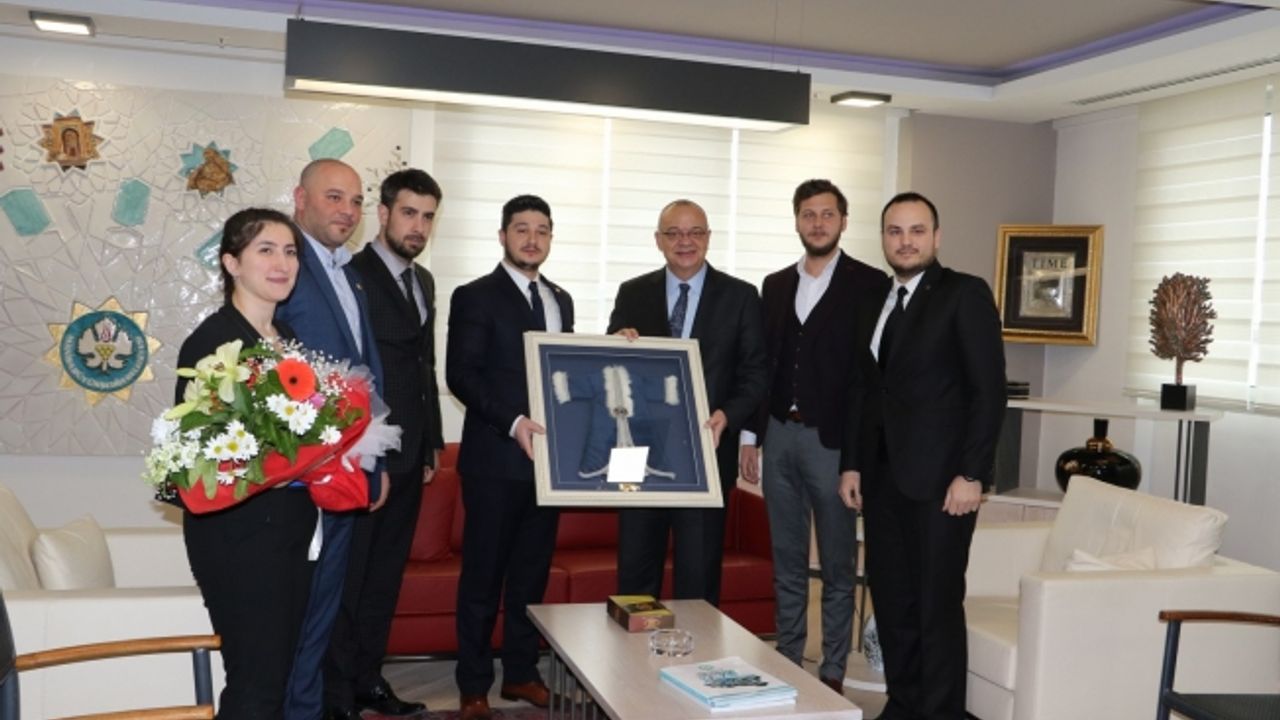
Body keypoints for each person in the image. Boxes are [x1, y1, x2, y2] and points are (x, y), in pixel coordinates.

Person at [838, 191, 1006, 720]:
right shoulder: (875, 299)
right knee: (893, 603)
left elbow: (988, 392)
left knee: (936, 606)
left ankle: (941, 713)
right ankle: (904, 704)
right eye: (895, 231)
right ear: (883, 238)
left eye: (916, 231)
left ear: (936, 236)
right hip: (883, 481)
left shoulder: (964, 294)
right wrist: (852, 462)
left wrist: (972, 473)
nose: (905, 241)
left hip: (942, 484)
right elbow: (864, 391)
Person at [739, 180, 889, 693]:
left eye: (827, 214)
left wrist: (857, 458)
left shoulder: (870, 284)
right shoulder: (775, 284)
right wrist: (751, 437)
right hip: (779, 435)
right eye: (808, 214)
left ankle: (832, 668)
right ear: (797, 221)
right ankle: (787, 657)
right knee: (786, 561)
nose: (818, 223)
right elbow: (762, 365)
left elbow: (869, 377)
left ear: (843, 221)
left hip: (834, 445)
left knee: (839, 564)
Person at [176, 207, 316, 719]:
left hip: (290, 527)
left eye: (290, 252)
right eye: (266, 250)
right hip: (239, 534)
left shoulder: (288, 340)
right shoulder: (213, 343)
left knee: (276, 677)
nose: (282, 263)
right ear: (232, 263)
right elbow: (199, 456)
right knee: (255, 681)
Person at [446, 194, 574, 720]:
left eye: (542, 230)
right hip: (494, 462)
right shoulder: (475, 296)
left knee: (530, 578)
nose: (532, 239)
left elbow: (565, 372)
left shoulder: (561, 300)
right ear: (503, 236)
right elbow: (461, 374)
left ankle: (521, 674)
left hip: (548, 467)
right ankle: (474, 685)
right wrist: (515, 422)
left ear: (550, 238)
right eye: (521, 229)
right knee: (483, 578)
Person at [324, 169, 445, 717]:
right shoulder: (352, 275)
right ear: (384, 213)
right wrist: (359, 452)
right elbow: (348, 371)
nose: (418, 226)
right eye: (409, 213)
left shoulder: (425, 282)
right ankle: (336, 696)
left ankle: (369, 681)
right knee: (350, 580)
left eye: (428, 217)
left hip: (413, 452)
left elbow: (425, 365)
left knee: (385, 578)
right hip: (366, 452)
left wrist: (432, 441)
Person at [608, 199, 768, 605]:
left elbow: (755, 374)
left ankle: (694, 648)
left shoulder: (741, 296)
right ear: (658, 240)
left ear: (708, 238)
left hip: (706, 450)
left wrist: (727, 416)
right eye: (674, 233)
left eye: (695, 232)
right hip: (636, 451)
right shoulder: (632, 292)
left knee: (697, 576)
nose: (685, 241)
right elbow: (611, 368)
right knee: (635, 571)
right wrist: (617, 344)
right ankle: (632, 647)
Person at [276, 158, 387, 720]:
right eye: (335, 197)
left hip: (348, 469)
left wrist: (375, 460)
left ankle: (307, 709)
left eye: (356, 201)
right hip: (302, 475)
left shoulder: (349, 273)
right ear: (301, 198)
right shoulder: (285, 266)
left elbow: (366, 370)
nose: (348, 211)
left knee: (324, 609)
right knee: (297, 612)